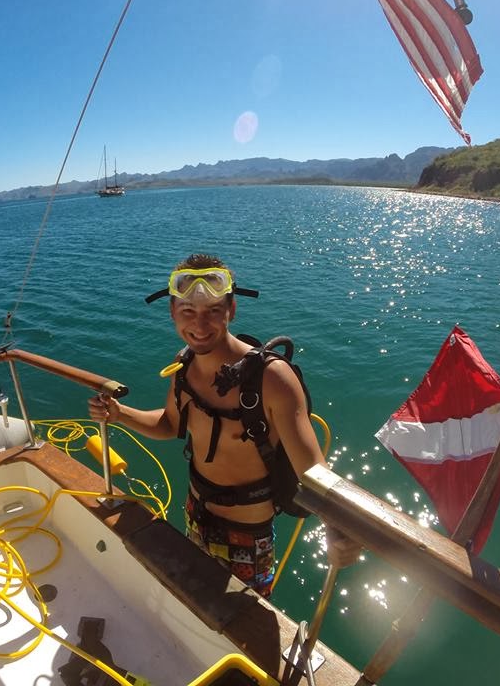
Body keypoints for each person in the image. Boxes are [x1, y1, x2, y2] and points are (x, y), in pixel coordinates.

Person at [88, 253, 360, 597]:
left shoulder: (273, 379)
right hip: (195, 513)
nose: (200, 325)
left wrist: (337, 527)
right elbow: (171, 424)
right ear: (172, 312)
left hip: (247, 535)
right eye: (188, 311)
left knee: (243, 619)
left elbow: (313, 471)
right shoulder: (183, 364)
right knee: (190, 598)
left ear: (231, 309)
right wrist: (120, 414)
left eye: (213, 311)